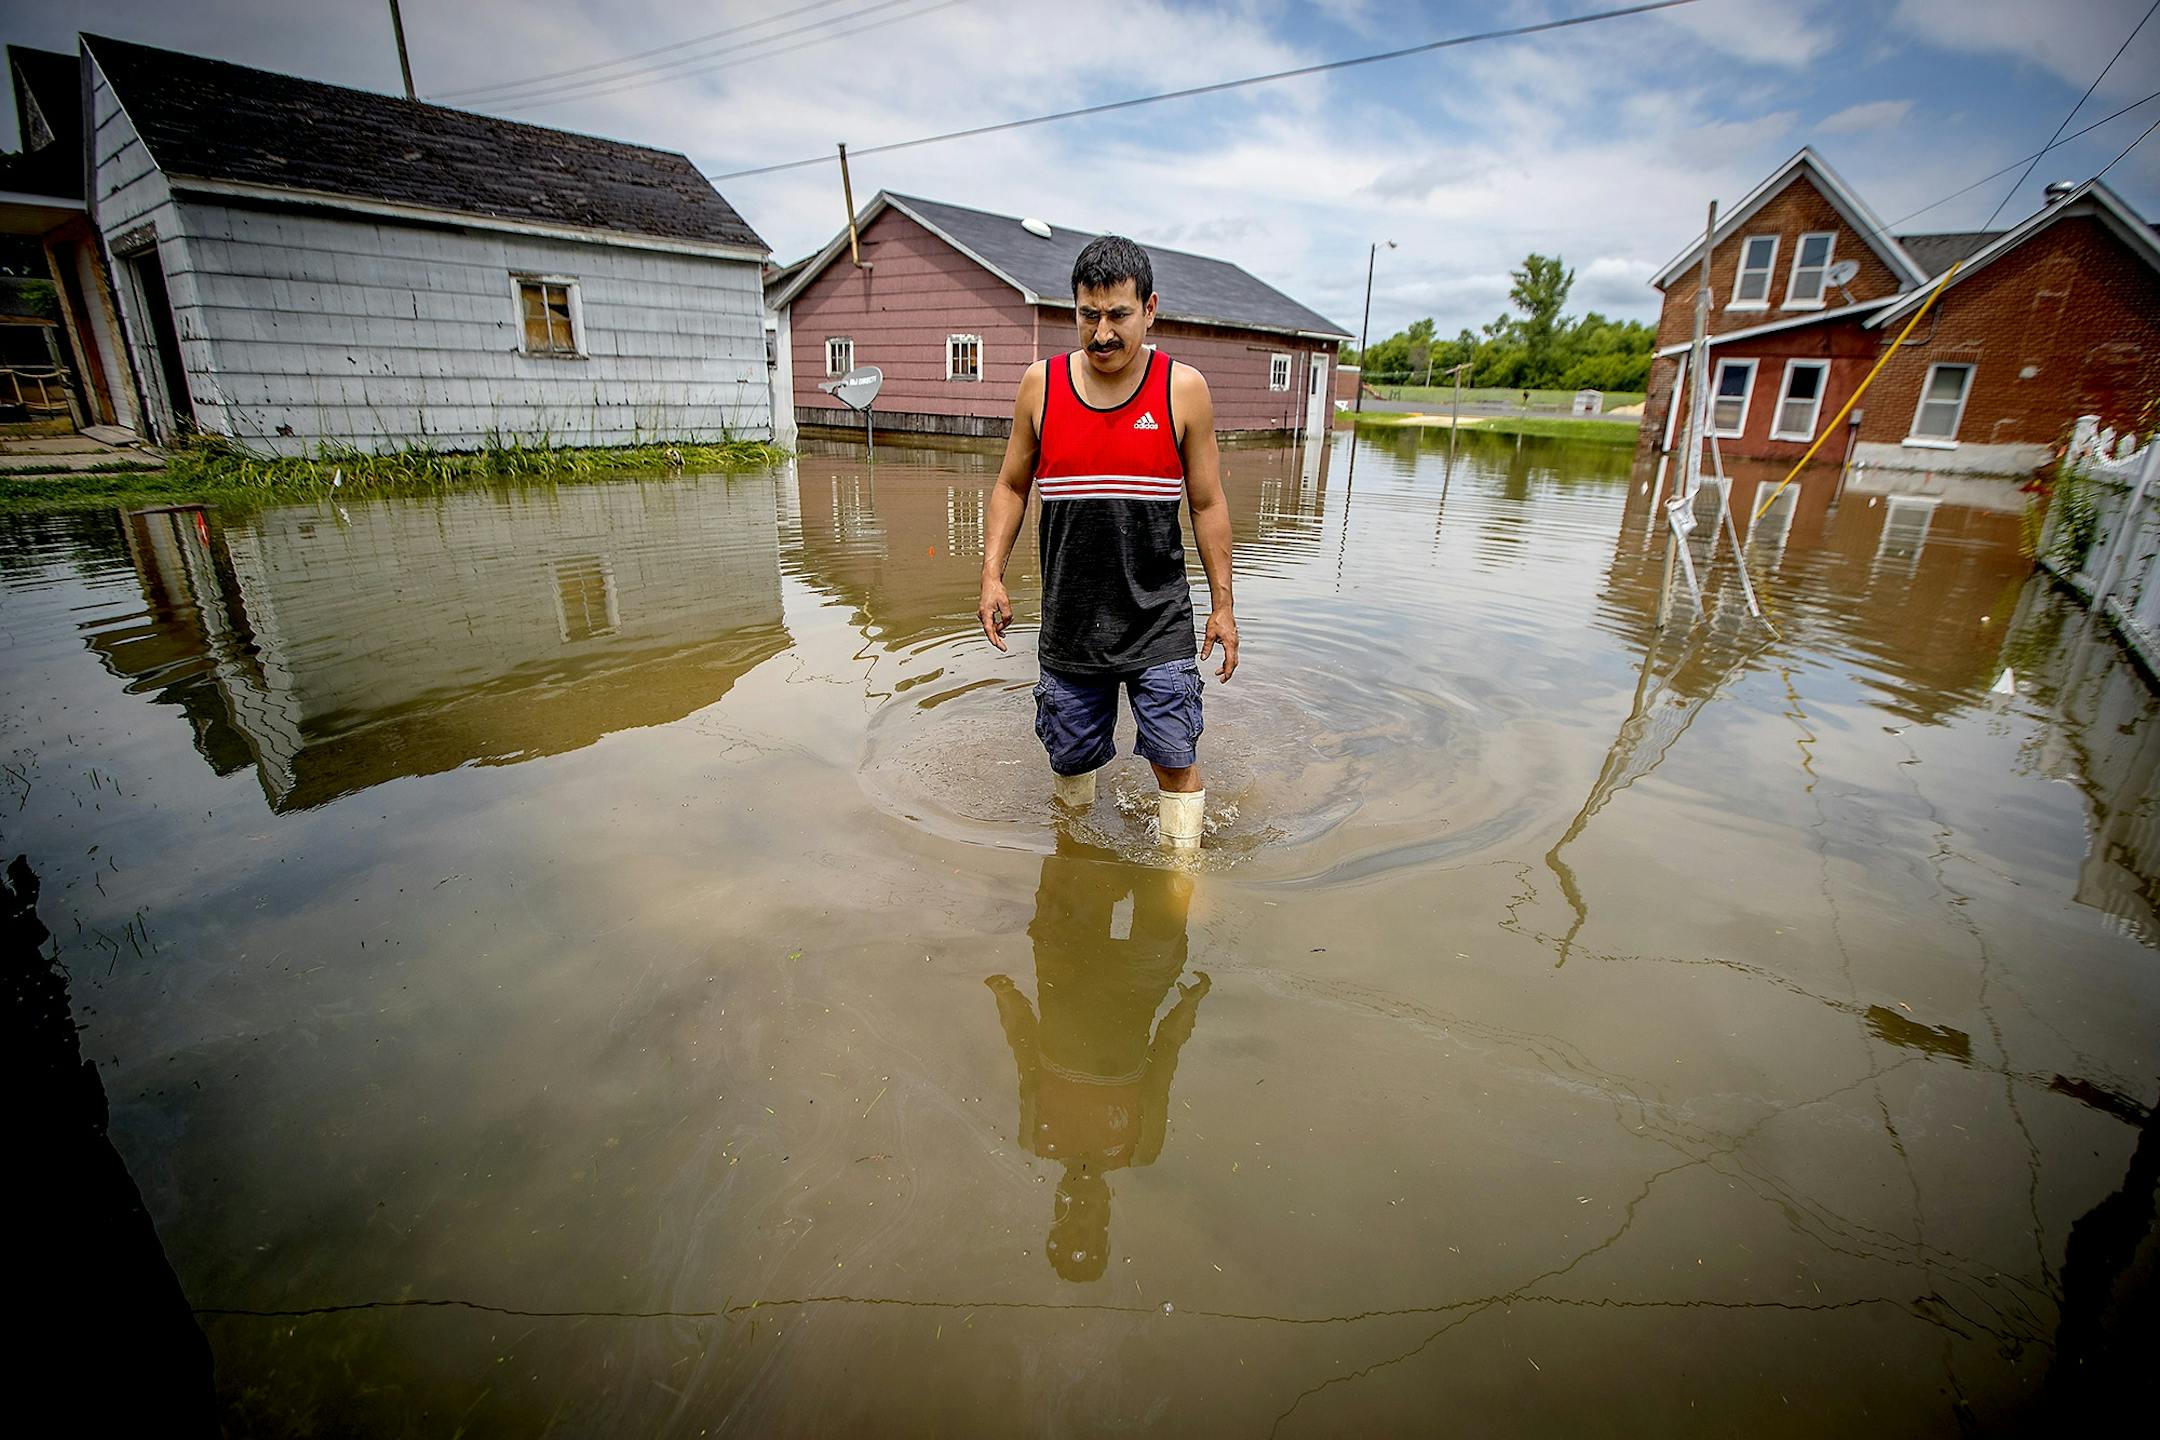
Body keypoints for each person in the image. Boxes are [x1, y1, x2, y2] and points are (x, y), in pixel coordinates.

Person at [976, 235, 1237, 850]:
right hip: (1070, 621)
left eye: (1118, 315)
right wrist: (991, 575)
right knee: (1070, 764)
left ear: (1149, 309)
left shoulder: (1183, 390)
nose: (1101, 334)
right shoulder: (1041, 386)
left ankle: (1181, 880)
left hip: (1159, 620)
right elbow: (1012, 485)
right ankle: (1075, 873)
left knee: (1175, 760)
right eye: (1087, 315)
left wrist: (1223, 606)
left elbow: (1207, 503)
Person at [986, 834, 1208, 1282]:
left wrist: (1006, 998)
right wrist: (1187, 1008)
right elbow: (1163, 1062)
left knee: (1075, 850)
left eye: (1069, 1222)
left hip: (1064, 971)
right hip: (1140, 985)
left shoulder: (1036, 1136)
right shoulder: (1138, 1150)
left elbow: (1025, 1054)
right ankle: (1149, 821)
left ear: (1056, 1208)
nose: (1080, 1211)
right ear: (1107, 1215)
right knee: (1166, 878)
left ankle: (1103, 806)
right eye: (1090, 1226)